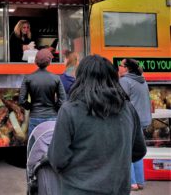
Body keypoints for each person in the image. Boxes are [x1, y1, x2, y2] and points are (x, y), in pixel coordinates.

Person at [48, 55, 146, 195]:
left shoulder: (69, 109)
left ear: (80, 77)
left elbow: (57, 159)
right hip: (118, 189)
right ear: (112, 77)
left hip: (77, 189)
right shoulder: (127, 108)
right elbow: (139, 151)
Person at [118, 58, 152, 191]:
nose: (118, 67)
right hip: (143, 120)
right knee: (137, 150)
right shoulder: (142, 80)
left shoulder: (125, 81)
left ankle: (132, 182)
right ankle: (140, 181)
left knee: (127, 151)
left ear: (126, 68)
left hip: (130, 121)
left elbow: (119, 101)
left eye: (120, 65)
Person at [19, 49, 66, 136]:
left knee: (34, 146)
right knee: (51, 146)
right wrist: (54, 107)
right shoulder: (56, 78)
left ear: (36, 61)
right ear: (49, 62)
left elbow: (21, 100)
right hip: (52, 118)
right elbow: (63, 100)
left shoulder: (28, 78)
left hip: (35, 117)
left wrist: (31, 106)